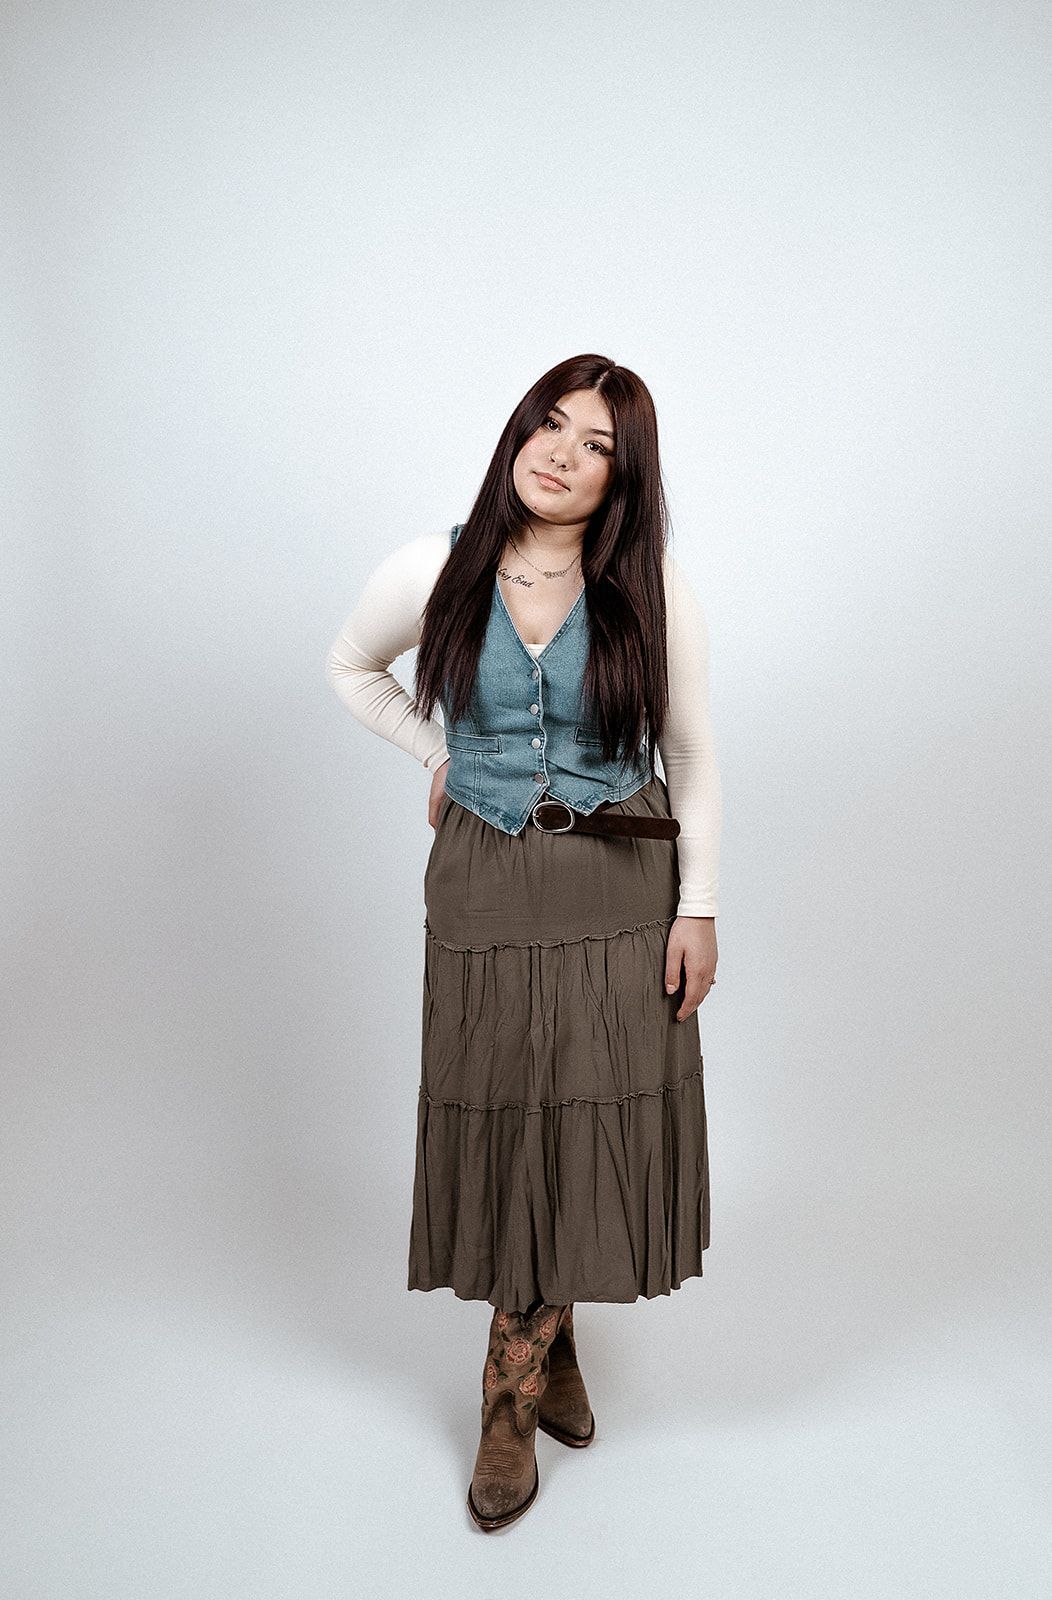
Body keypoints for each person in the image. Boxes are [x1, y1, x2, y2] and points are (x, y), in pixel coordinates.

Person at [325, 352, 722, 1531]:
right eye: (548, 424)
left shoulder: (655, 588)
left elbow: (691, 754)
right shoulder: (434, 564)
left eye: (593, 442)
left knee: (588, 1101)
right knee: (509, 1106)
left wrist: (698, 903)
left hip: (618, 877)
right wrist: (435, 757)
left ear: (621, 476)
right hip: (487, 877)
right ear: (517, 432)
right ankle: (535, 1360)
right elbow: (350, 669)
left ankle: (514, 1375)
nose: (558, 450)